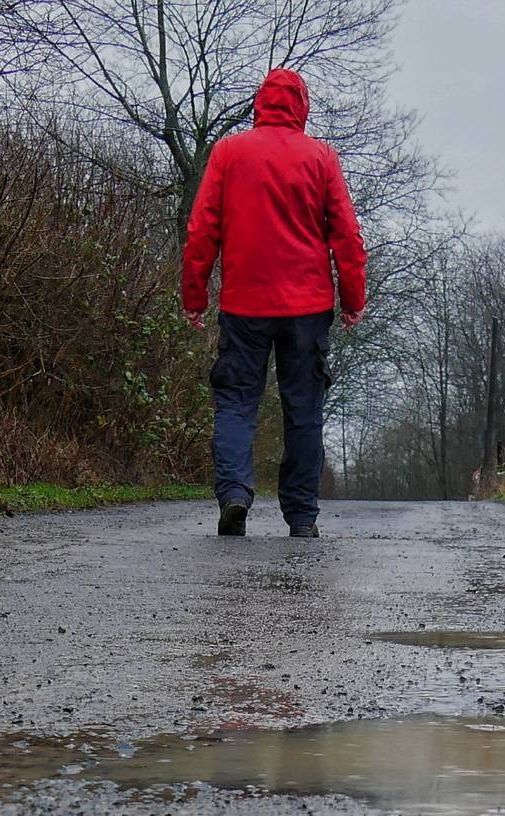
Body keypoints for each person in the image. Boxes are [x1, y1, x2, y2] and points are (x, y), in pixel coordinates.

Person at [181, 68, 367, 539]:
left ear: (258, 104)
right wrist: (352, 297)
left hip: (245, 305)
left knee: (237, 402)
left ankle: (235, 494)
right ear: (301, 107)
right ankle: (302, 517)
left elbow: (203, 228)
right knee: (303, 409)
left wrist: (195, 295)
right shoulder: (320, 157)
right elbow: (346, 233)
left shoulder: (229, 152)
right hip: (307, 307)